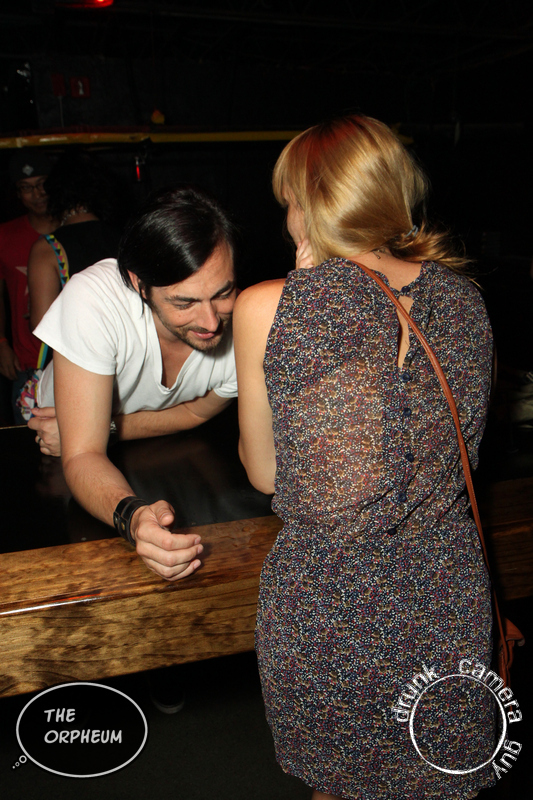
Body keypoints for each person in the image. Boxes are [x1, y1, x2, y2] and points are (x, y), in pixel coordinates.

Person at [234, 116, 495, 799]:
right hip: (446, 589)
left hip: (331, 601)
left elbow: (267, 473)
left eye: (289, 201)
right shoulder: (466, 302)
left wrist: (308, 299)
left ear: (311, 203)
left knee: (338, 785)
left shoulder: (267, 307)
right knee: (439, 779)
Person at [29, 185, 238, 581]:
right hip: (49, 429)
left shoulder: (248, 322)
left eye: (223, 293)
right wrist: (135, 517)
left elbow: (195, 414)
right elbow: (82, 453)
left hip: (128, 440)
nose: (211, 322)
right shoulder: (93, 299)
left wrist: (107, 427)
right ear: (138, 284)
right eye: (184, 302)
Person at [27, 151, 121, 331]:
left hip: (79, 347)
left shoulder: (48, 248)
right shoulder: (128, 239)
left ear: (55, 193)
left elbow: (42, 324)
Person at [0, 151, 56, 421]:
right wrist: (1, 343)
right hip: (27, 365)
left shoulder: (73, 231)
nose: (37, 194)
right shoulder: (4, 235)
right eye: (26, 187)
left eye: (42, 184)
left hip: (73, 360)